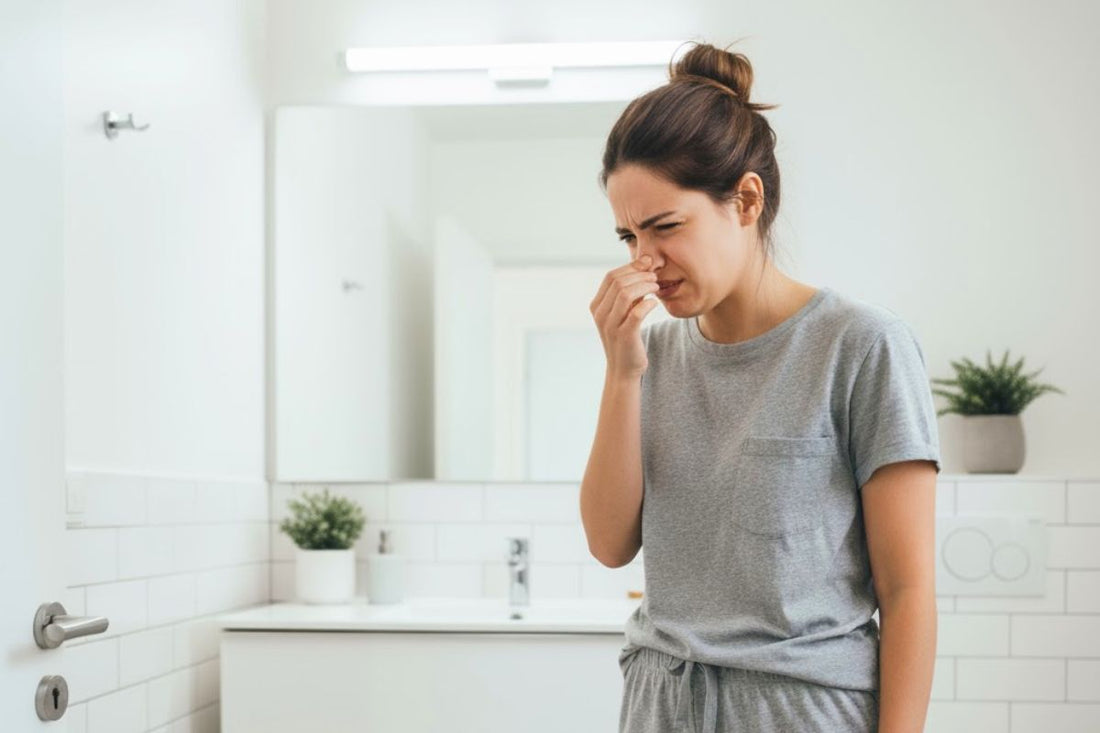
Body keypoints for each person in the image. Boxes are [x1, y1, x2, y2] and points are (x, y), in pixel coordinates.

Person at [580, 40, 942, 733]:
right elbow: (608, 541)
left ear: (746, 199)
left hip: (799, 710)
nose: (644, 261)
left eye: (665, 227)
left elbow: (908, 591)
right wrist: (622, 372)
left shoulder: (862, 346)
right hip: (662, 705)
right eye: (627, 236)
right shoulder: (649, 354)